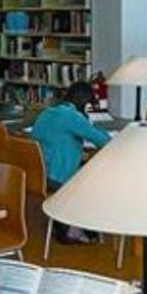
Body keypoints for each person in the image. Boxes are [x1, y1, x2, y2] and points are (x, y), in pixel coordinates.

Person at [30, 81, 111, 244]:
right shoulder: (72, 117)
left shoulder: (48, 112)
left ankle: (68, 222)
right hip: (59, 177)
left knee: (85, 168)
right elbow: (104, 142)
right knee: (98, 179)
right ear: (84, 103)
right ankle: (76, 228)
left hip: (40, 174)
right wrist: (87, 122)